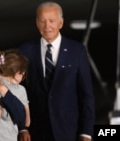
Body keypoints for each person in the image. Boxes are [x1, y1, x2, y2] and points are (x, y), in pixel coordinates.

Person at [18, 1, 95, 141]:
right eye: (42, 21)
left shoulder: (77, 51)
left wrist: (86, 132)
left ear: (61, 23)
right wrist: (22, 127)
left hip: (69, 131)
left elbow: (86, 95)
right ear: (37, 23)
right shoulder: (25, 51)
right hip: (35, 132)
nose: (47, 26)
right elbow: (18, 91)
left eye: (52, 21)